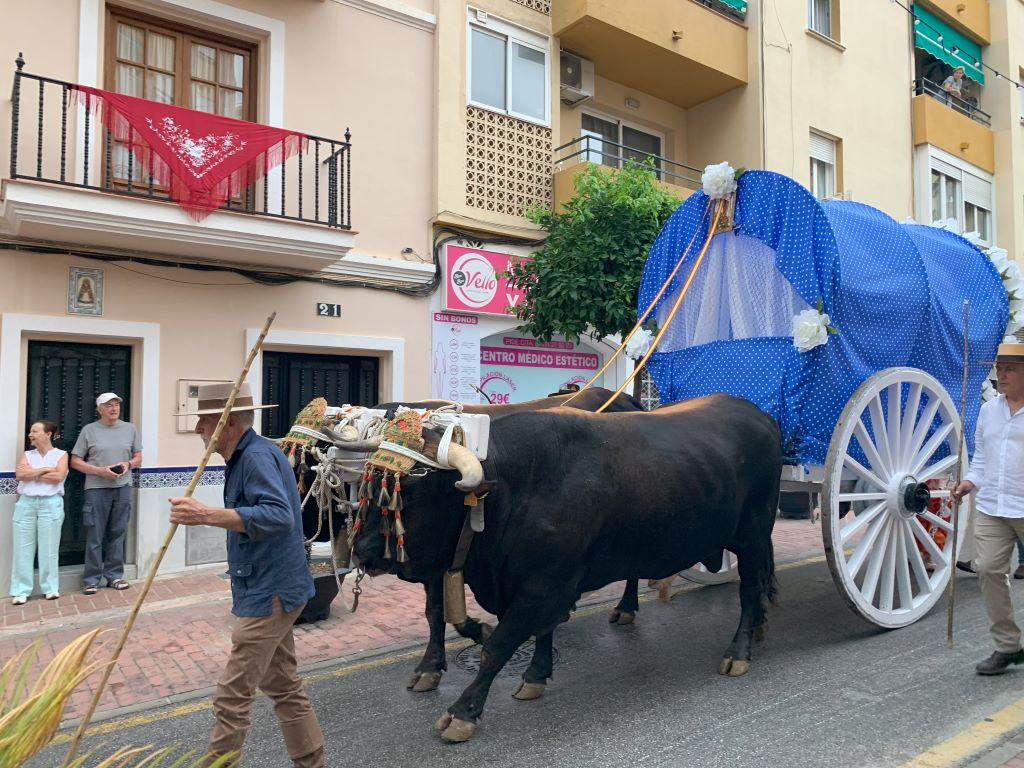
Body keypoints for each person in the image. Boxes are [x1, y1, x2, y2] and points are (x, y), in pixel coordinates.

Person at [169, 382, 323, 767]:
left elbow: (277, 516)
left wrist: (204, 515)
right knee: (284, 685)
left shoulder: (254, 457)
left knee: (232, 695)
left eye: (204, 422)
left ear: (229, 423)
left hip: (271, 592)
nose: (198, 430)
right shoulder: (248, 455)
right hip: (269, 585)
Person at [952, 342, 1024, 675]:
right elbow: (980, 457)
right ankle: (1008, 646)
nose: (1001, 374)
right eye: (999, 367)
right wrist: (969, 482)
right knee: (988, 570)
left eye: (1010, 369)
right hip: (993, 505)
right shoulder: (988, 411)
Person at [70, 392, 142, 595]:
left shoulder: (130, 429)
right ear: (99, 409)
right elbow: (75, 461)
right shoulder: (89, 430)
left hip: (122, 488)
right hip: (96, 489)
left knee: (118, 533)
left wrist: (128, 464)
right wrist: (99, 471)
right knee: (95, 534)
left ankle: (114, 576)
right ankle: (91, 579)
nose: (114, 408)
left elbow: (138, 457)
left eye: (117, 404)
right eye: (108, 405)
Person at [10, 420, 68, 604]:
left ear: (48, 434)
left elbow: (58, 477)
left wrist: (32, 473)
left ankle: (50, 588)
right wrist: (44, 469)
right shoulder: (27, 454)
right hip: (26, 504)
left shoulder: (61, 455)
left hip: (50, 504)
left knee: (49, 547)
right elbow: (20, 475)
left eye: (34, 431)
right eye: (30, 431)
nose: (30, 435)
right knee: (22, 548)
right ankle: (21, 590)